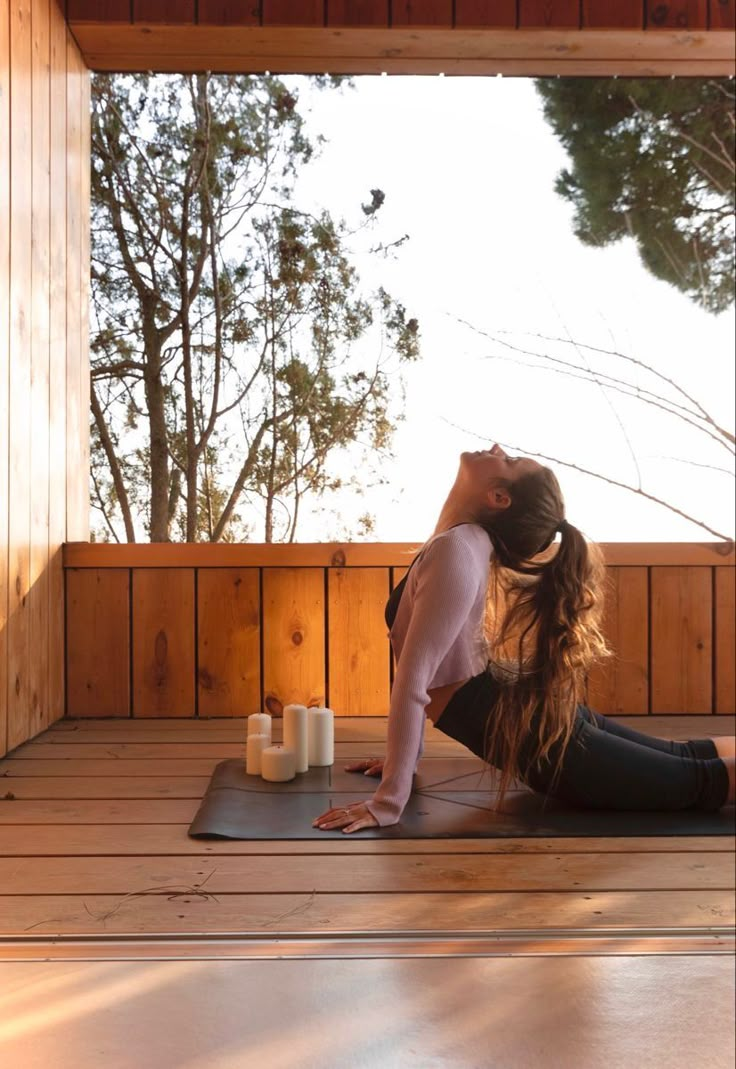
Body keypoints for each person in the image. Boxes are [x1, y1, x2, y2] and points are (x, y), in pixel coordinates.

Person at [312, 445, 735, 834]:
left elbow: (414, 684)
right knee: (687, 763)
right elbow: (429, 675)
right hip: (536, 729)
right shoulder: (459, 544)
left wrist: (388, 801)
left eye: (509, 461)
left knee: (696, 780)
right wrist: (400, 764)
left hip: (544, 745)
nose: (498, 450)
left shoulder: (458, 549)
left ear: (499, 497)